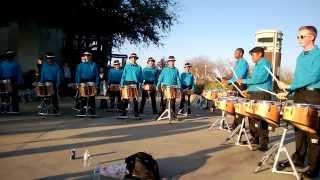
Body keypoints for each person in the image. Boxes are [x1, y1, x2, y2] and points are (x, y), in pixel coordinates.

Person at [276, 26, 320, 178]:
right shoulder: (300, 56)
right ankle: (299, 160)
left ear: (312, 37)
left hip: (313, 95)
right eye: (298, 37)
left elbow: (313, 77)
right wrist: (289, 91)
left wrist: (290, 85)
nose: (299, 39)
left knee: (312, 132)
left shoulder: (318, 54)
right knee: (299, 131)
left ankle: (314, 167)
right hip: (299, 94)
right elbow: (298, 78)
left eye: (302, 36)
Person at [236, 47, 272, 152]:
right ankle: (254, 139)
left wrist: (244, 81)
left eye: (253, 54)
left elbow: (259, 79)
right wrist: (248, 90)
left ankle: (264, 143)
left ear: (260, 54)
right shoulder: (257, 65)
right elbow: (255, 83)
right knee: (252, 117)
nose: (251, 57)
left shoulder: (265, 63)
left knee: (262, 119)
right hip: (254, 93)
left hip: (262, 94)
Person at [223, 48, 249, 129]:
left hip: (241, 85)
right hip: (236, 85)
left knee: (239, 107)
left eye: (236, 53)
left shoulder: (244, 63)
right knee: (235, 106)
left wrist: (229, 81)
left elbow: (239, 77)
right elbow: (233, 76)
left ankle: (240, 126)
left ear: (241, 53)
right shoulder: (237, 63)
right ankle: (235, 125)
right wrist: (226, 79)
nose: (234, 54)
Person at [75, 51, 99, 116]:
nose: (86, 56)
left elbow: (97, 75)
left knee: (92, 98)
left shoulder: (94, 64)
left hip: (92, 82)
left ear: (91, 56)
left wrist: (97, 84)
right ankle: (82, 111)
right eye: (85, 55)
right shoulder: (80, 65)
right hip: (82, 82)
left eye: (88, 55)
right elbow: (78, 75)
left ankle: (92, 112)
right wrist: (77, 83)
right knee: (83, 97)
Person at [120, 53, 142, 117]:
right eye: (132, 58)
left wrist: (141, 84)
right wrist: (121, 83)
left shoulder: (139, 67)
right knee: (126, 98)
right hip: (127, 82)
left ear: (136, 59)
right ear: (130, 59)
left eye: (134, 58)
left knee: (135, 99)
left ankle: (136, 113)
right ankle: (124, 112)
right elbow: (123, 75)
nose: (133, 59)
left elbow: (140, 77)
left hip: (135, 83)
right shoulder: (127, 66)